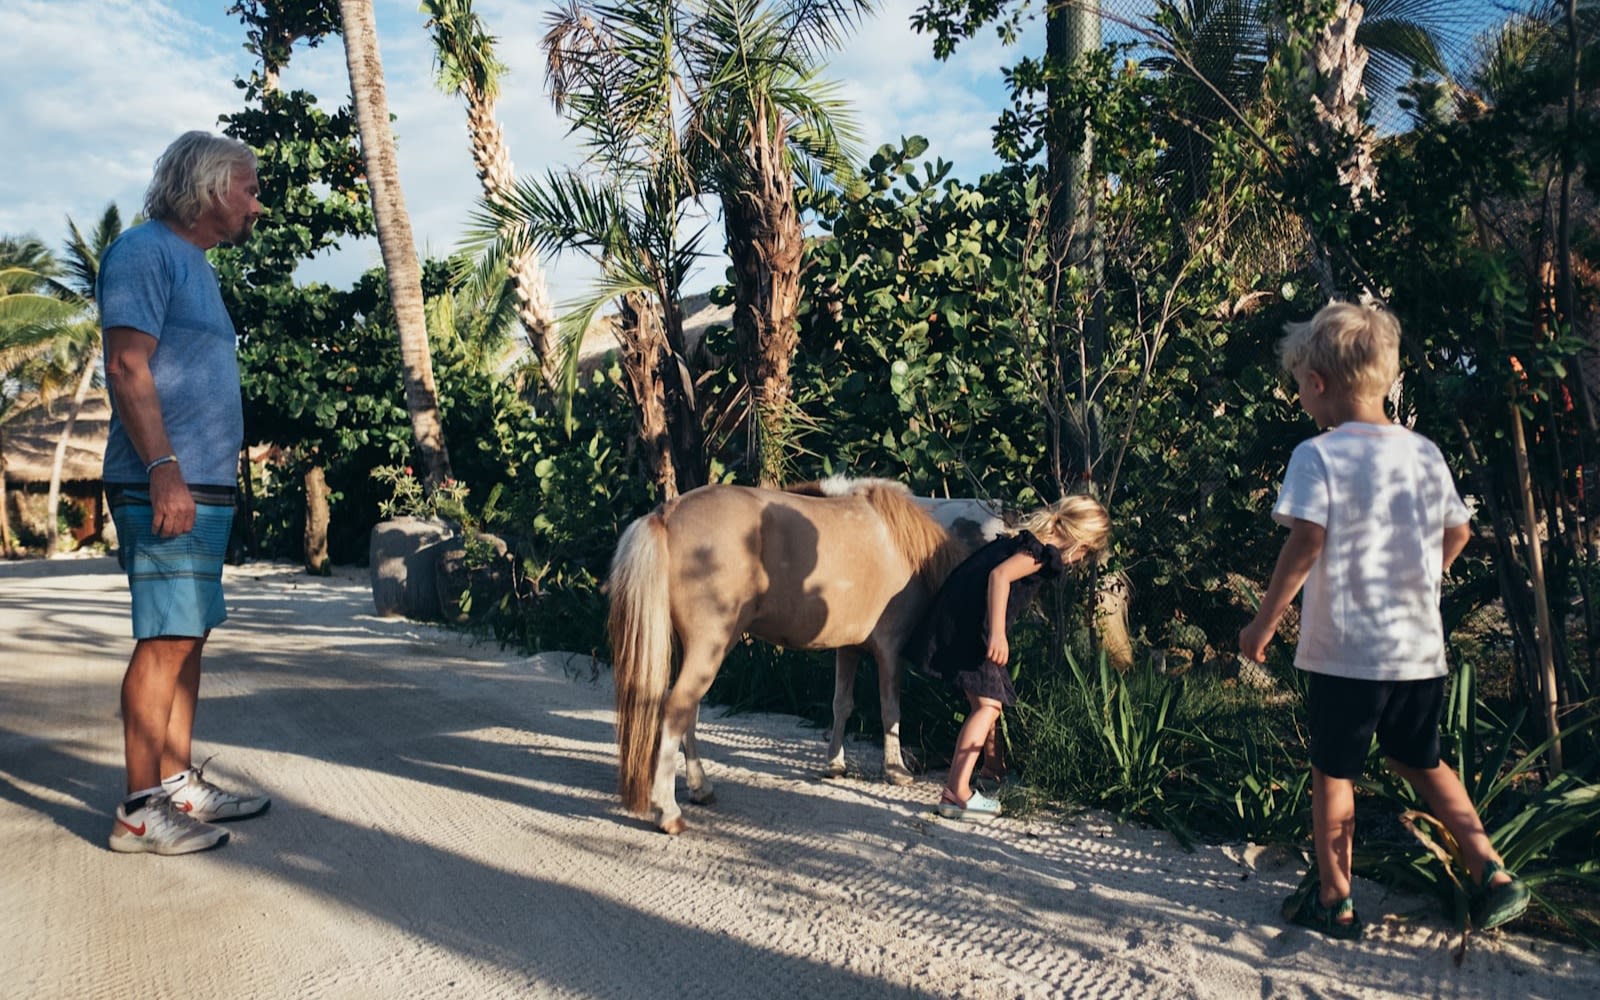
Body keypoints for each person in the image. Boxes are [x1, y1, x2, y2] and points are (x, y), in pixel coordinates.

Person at [1238, 301, 1529, 938]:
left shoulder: (1319, 455)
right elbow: (1459, 532)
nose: (1304, 403)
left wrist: (1263, 623)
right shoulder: (1423, 453)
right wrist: (1422, 579)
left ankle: (1336, 899)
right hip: (1416, 650)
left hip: (1348, 654)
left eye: (1301, 390)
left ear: (1316, 384)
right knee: (1423, 759)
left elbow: (1305, 542)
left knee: (1333, 772)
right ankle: (1492, 871)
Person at [101, 131, 271, 856]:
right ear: (206, 189)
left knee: (189, 635)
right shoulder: (143, 251)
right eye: (250, 188)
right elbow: (126, 364)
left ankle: (176, 786)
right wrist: (163, 467)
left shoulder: (195, 264)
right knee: (166, 639)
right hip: (164, 481)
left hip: (201, 484)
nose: (258, 206)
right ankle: (140, 811)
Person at [905, 495, 1111, 820]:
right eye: (1085, 550)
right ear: (1078, 538)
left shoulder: (1024, 542)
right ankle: (956, 792)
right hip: (974, 628)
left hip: (961, 619)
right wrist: (998, 633)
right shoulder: (1040, 553)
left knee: (988, 702)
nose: (1081, 558)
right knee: (987, 707)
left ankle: (991, 769)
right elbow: (998, 577)